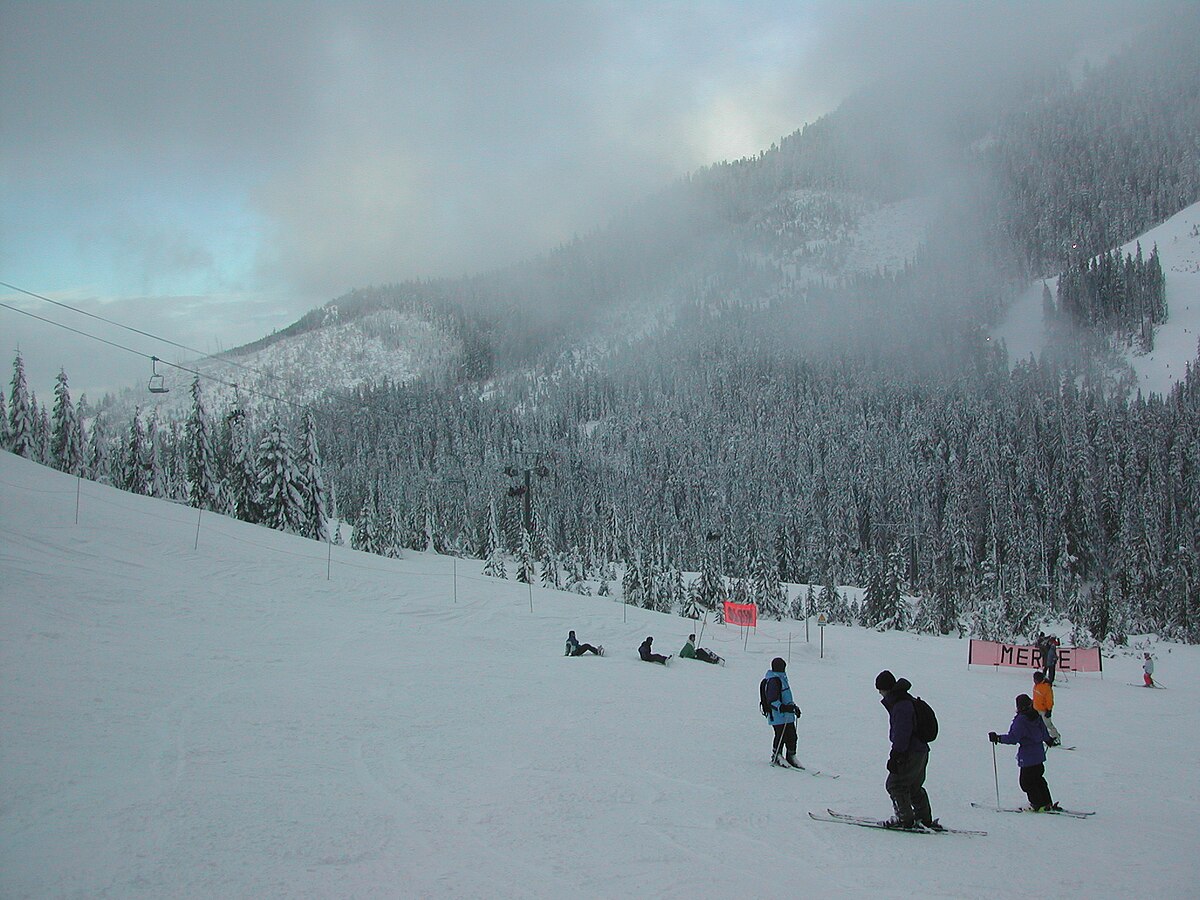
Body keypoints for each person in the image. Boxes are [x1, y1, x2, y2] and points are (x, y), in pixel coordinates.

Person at [875, 670, 940, 830]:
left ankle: (904, 818)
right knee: (913, 786)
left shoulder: (900, 705)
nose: (880, 694)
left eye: (880, 690)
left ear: (886, 689)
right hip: (921, 750)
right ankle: (923, 818)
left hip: (910, 752)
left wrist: (896, 756)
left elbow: (902, 734)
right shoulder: (906, 700)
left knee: (895, 785)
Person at [990, 694, 1061, 812]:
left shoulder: (1021, 721)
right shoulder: (1036, 716)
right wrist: (1048, 740)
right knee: (1038, 779)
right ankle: (1046, 802)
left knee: (1026, 782)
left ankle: (1037, 804)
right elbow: (1043, 731)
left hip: (1028, 756)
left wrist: (998, 738)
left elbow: (1013, 738)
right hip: (1039, 754)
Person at [763, 657, 802, 767]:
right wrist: (783, 708)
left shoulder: (782, 679)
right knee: (780, 736)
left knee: (792, 736)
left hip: (787, 715)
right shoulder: (773, 680)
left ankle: (791, 756)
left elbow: (786, 697)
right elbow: (772, 700)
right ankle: (777, 755)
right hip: (777, 716)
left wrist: (794, 708)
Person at [1032, 671, 1061, 745]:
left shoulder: (1046, 687)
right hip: (1036, 709)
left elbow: (1049, 700)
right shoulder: (1036, 685)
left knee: (1048, 725)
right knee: (1037, 725)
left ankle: (1056, 738)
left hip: (1044, 710)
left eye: (1035, 679)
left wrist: (1049, 710)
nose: (1034, 680)